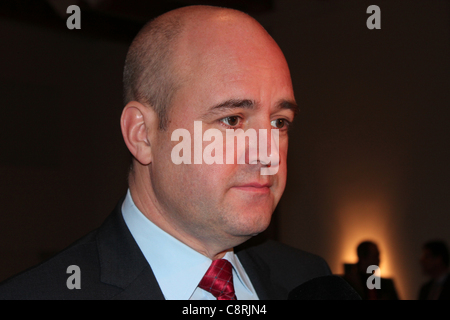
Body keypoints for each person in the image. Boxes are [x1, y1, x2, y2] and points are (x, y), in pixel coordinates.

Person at [0, 5, 331, 300]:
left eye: (279, 122)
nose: (268, 153)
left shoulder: (308, 280)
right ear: (142, 134)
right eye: (231, 120)